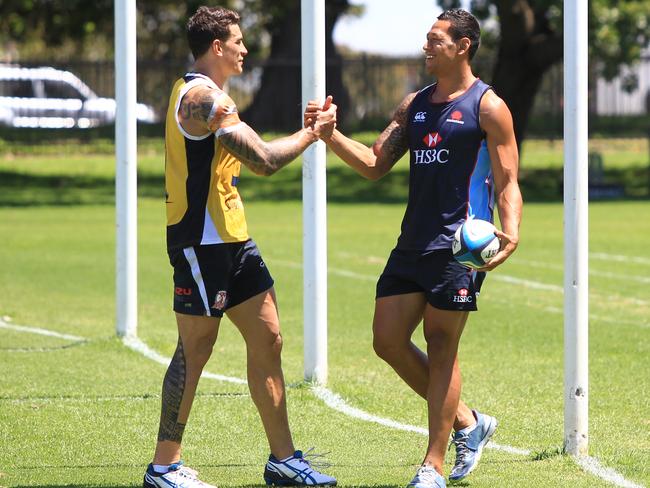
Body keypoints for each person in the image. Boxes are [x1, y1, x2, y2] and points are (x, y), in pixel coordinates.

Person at [305, 9, 522, 488]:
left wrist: (511, 230)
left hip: (461, 247)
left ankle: (433, 466)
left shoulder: (489, 107)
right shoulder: (415, 105)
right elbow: (374, 163)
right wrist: (329, 134)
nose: (426, 47)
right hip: (412, 242)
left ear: (463, 46)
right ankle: (470, 421)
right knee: (387, 340)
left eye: (435, 40)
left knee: (442, 345)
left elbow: (507, 179)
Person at [144, 6, 337, 488]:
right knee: (196, 348)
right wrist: (313, 134)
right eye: (237, 41)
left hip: (234, 238)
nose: (245, 49)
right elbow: (266, 160)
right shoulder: (202, 99)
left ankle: (284, 461)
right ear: (217, 48)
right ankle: (164, 467)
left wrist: (307, 132)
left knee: (269, 338)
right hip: (199, 243)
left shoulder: (216, 96)